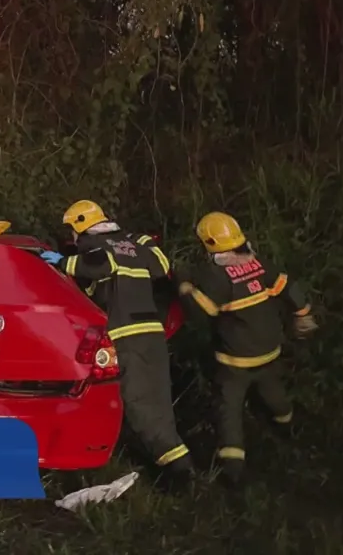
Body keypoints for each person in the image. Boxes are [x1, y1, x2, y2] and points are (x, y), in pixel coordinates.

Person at [37, 200, 195, 486]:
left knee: (137, 403)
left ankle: (179, 474)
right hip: (152, 333)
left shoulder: (94, 245)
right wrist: (144, 240)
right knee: (157, 399)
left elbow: (98, 266)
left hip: (127, 335)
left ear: (80, 226)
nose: (73, 237)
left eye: (73, 230)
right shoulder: (132, 244)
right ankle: (175, 460)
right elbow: (161, 267)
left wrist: (62, 262)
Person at [177, 211, 318, 484]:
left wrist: (184, 286)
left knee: (228, 409)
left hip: (235, 362)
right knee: (273, 391)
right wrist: (303, 313)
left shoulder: (217, 276)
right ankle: (287, 427)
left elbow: (201, 311)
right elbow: (288, 287)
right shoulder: (259, 264)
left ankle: (232, 468)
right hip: (269, 352)